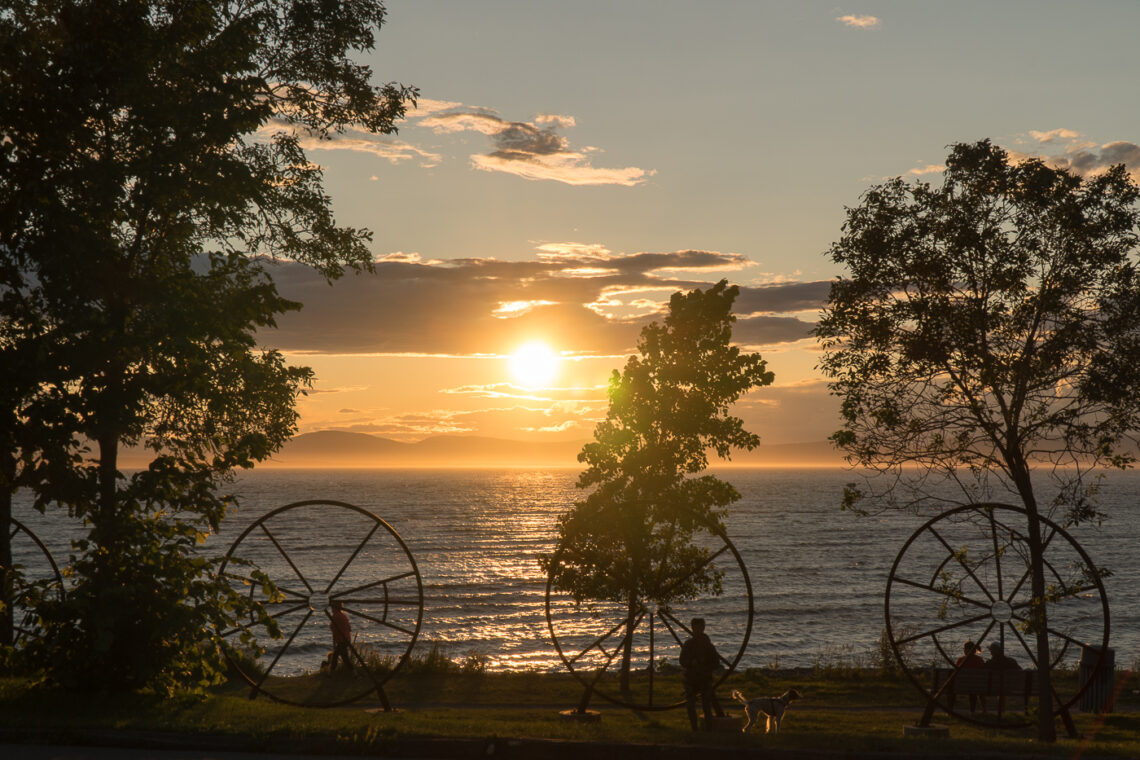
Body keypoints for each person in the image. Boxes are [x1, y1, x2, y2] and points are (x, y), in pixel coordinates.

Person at [679, 617, 723, 731]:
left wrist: (705, 665)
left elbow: (716, 663)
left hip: (704, 679)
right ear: (692, 629)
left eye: (699, 628)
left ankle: (708, 729)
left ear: (703, 628)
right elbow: (682, 660)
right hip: (692, 679)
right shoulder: (689, 644)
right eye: (695, 628)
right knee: (691, 706)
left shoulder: (707, 645)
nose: (697, 630)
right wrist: (691, 663)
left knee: (706, 706)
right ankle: (695, 729)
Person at [953, 640, 986, 713]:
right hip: (976, 686)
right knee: (973, 689)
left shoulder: (960, 660)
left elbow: (955, 674)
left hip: (961, 686)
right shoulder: (979, 660)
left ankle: (950, 710)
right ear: (974, 650)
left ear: (966, 650)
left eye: (964, 649)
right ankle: (974, 711)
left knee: (951, 690)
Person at [328, 600, 353, 672]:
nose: (331, 609)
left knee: (344, 659)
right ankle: (330, 674)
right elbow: (349, 628)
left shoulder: (335, 616)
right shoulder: (343, 616)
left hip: (341, 640)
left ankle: (355, 674)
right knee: (337, 657)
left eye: (332, 608)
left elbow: (333, 628)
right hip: (346, 639)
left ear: (335, 608)